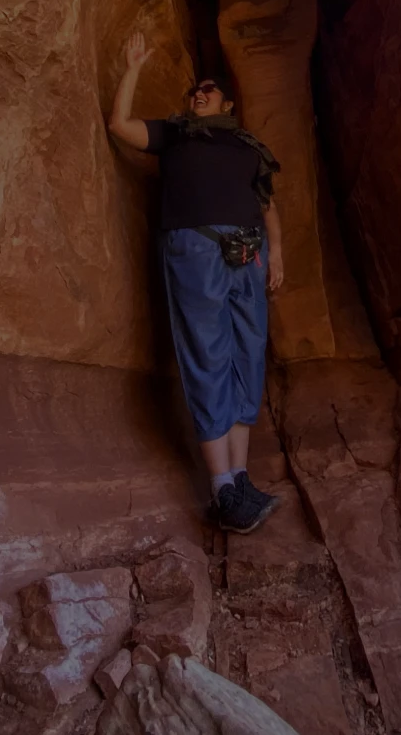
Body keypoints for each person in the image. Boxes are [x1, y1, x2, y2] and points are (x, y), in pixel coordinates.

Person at [106, 32, 285, 534]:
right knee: (207, 354)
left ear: (228, 104)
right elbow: (120, 125)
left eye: (209, 89)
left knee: (247, 356)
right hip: (197, 250)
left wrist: (277, 253)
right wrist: (133, 67)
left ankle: (241, 478)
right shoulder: (176, 134)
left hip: (249, 254)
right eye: (195, 90)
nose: (198, 94)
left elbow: (268, 205)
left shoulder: (247, 146)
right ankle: (222, 487)